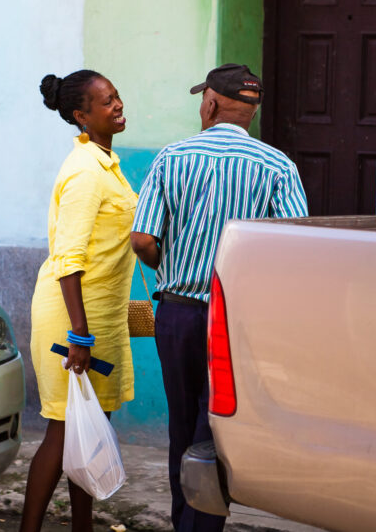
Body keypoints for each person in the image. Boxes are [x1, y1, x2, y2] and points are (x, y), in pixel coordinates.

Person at [130, 63, 308, 532]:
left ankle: (182, 522)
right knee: (218, 433)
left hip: (180, 316)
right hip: (237, 324)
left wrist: (169, 265)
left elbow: (142, 239)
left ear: (209, 102)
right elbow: (292, 250)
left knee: (181, 425)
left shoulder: (172, 158)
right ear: (252, 110)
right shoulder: (278, 166)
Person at [21, 70, 137, 532]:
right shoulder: (86, 172)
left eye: (117, 96)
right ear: (81, 116)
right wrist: (80, 335)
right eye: (106, 101)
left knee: (89, 435)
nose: (117, 105)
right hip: (72, 322)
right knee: (64, 430)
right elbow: (68, 259)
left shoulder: (106, 162)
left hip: (98, 318)